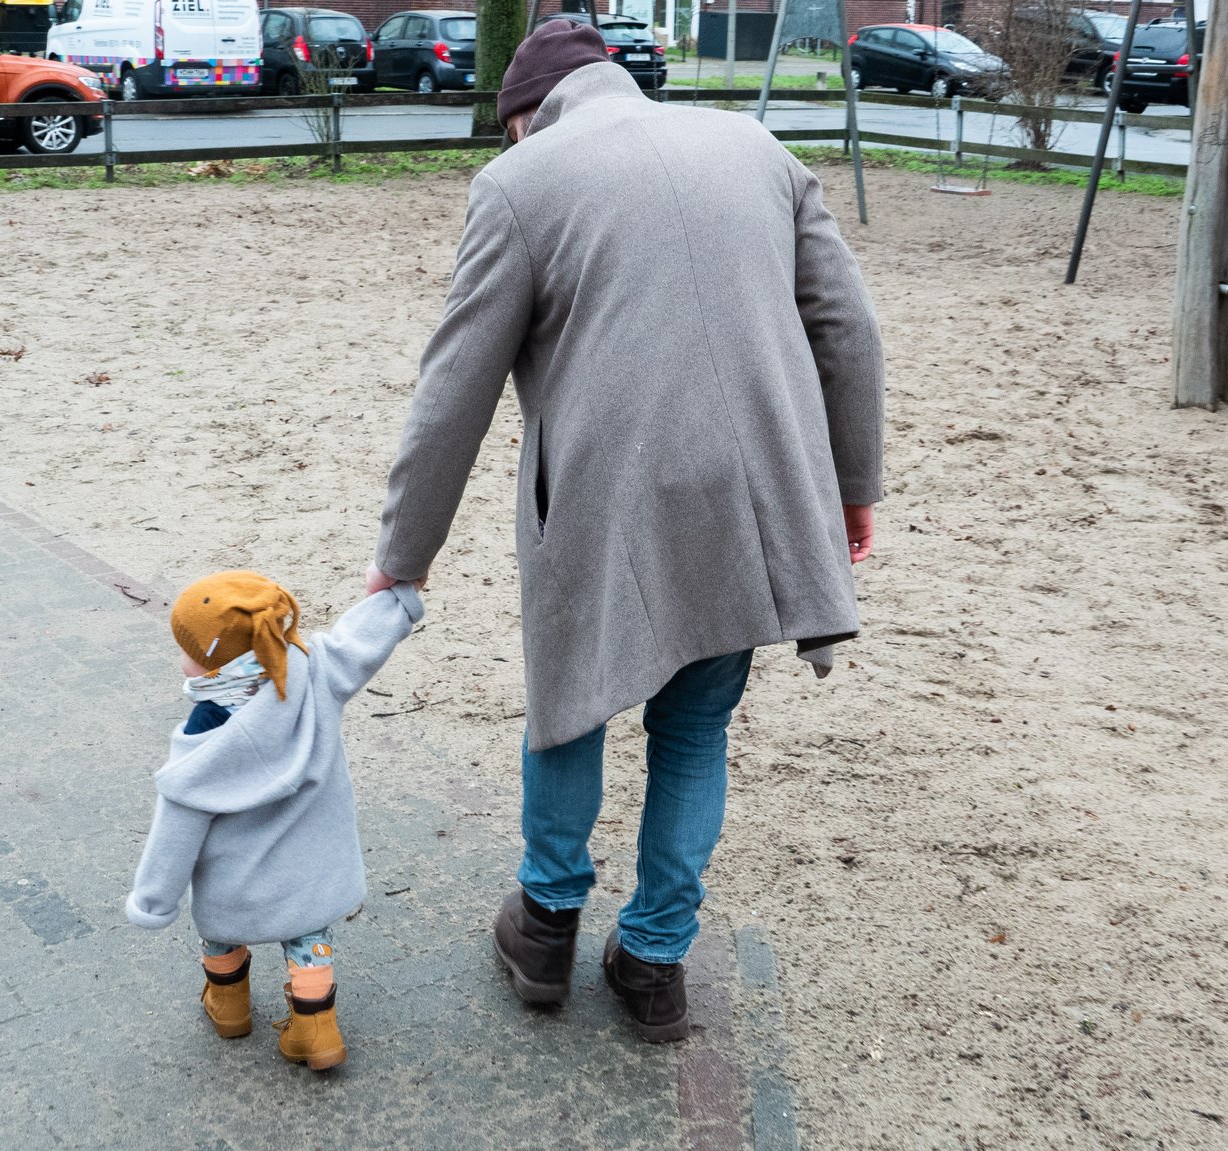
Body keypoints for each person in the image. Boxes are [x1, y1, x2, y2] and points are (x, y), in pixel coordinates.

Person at [367, 18, 885, 1043]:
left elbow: (451, 391)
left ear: (524, 118)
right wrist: (851, 485)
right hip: (751, 495)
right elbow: (848, 328)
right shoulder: (758, 147)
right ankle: (654, 961)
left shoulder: (520, 183)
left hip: (603, 500)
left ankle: (547, 923)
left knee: (569, 702)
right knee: (693, 728)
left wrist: (401, 557)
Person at [126, 570, 423, 1070]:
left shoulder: (199, 748)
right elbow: (359, 641)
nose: (180, 660)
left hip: (234, 880)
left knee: (219, 932)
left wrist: (154, 900)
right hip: (308, 869)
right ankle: (316, 1030)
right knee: (308, 940)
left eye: (187, 651)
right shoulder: (315, 673)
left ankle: (229, 1005)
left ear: (216, 665)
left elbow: (174, 833)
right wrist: (397, 599)